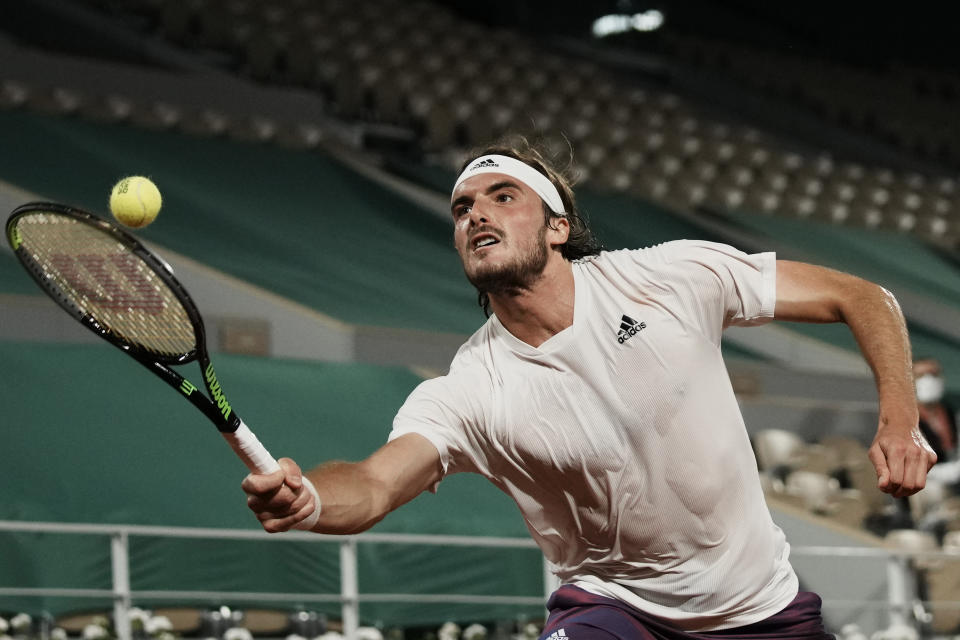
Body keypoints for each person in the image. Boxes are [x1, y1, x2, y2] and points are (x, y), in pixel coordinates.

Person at [242, 137, 936, 639]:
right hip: (616, 611)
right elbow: (372, 484)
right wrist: (308, 501)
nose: (476, 214)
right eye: (461, 208)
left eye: (502, 197)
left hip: (760, 611)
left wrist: (898, 421)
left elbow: (864, 296)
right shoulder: (468, 389)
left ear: (558, 226)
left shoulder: (669, 278)